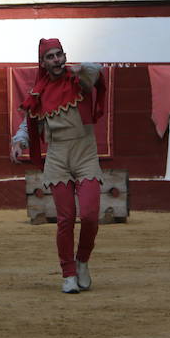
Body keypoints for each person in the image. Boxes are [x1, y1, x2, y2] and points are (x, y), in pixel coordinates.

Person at [10, 38, 106, 294]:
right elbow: (28, 122)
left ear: (65, 57)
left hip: (85, 152)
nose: (56, 60)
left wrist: (79, 68)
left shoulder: (79, 80)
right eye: (50, 57)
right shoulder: (38, 93)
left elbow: (98, 71)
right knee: (65, 219)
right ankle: (68, 273)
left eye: (59, 55)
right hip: (57, 157)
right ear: (43, 63)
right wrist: (19, 140)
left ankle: (82, 260)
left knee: (89, 215)